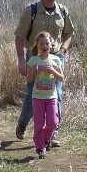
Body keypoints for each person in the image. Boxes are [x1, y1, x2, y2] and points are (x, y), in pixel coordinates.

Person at [13, 0, 74, 145]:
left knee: (57, 95)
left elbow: (69, 33)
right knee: (34, 95)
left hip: (55, 58)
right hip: (34, 58)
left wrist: (62, 50)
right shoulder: (31, 11)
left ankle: (52, 134)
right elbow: (19, 36)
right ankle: (23, 124)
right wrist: (21, 60)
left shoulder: (62, 11)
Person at [26, 31, 64, 159]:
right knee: (39, 124)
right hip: (37, 97)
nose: (44, 45)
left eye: (47, 43)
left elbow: (61, 78)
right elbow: (29, 79)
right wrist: (34, 70)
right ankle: (40, 147)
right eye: (41, 43)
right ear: (37, 45)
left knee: (53, 122)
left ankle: (47, 138)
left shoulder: (56, 60)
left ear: (51, 45)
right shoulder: (33, 60)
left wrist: (52, 70)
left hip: (51, 96)